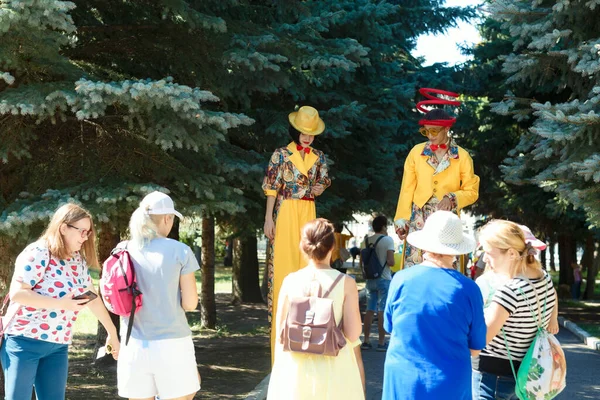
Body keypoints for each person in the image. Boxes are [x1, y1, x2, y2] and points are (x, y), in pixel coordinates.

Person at [1, 203, 120, 400]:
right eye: (82, 231)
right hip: (23, 342)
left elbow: (91, 297)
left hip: (57, 345)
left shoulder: (77, 260)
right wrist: (62, 304)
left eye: (88, 232)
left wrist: (112, 332)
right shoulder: (38, 252)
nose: (85, 237)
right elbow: (18, 294)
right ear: (63, 228)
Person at [383, 211, 485, 400]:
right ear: (456, 250)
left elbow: (390, 327)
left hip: (403, 379)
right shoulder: (468, 289)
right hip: (448, 381)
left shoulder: (400, 279)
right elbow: (476, 347)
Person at [267, 219, 365, 399]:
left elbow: (280, 331)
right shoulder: (346, 283)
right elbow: (352, 334)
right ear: (332, 246)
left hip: (296, 367)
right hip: (334, 365)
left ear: (303, 246)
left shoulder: (290, 280)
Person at [116, 191, 201, 400]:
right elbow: (190, 303)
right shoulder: (180, 251)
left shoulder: (121, 249)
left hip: (133, 344)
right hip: (172, 344)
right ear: (167, 218)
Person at [262, 106, 331, 361]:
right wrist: (269, 218)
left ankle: (308, 347)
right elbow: (271, 187)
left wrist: (314, 188)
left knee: (308, 271)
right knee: (282, 273)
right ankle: (278, 353)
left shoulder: (319, 157)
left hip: (308, 211)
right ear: (296, 130)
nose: (307, 137)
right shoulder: (281, 154)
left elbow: (324, 181)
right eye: (303, 132)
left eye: (311, 133)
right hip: (285, 211)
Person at [394, 88, 479, 273]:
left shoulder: (462, 156)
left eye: (434, 131)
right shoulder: (416, 153)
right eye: (426, 131)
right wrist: (401, 220)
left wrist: (453, 198)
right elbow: (406, 189)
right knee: (415, 267)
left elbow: (472, 191)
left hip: (447, 222)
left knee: (446, 267)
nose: (430, 135)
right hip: (418, 218)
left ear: (447, 129)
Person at [472, 219, 559, 400]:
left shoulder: (509, 291)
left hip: (492, 377)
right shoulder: (544, 278)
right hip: (523, 374)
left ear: (511, 253)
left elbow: (480, 339)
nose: (485, 259)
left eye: (489, 253)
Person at [360, 215, 394, 352]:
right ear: (384, 226)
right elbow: (391, 262)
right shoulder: (387, 240)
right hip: (384, 278)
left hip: (370, 279)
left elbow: (362, 262)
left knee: (370, 309)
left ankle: (366, 340)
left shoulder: (366, 240)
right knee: (382, 310)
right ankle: (381, 342)